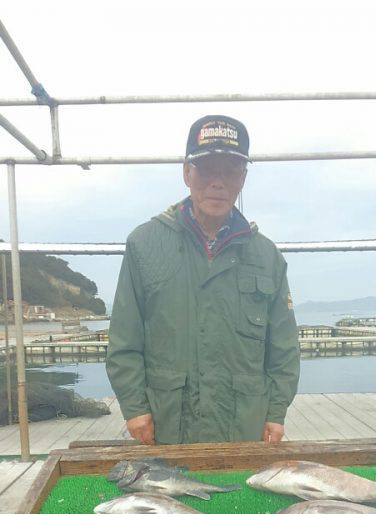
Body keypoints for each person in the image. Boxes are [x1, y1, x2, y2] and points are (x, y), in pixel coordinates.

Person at [106, 114, 299, 445]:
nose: (218, 181)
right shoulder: (144, 244)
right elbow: (124, 339)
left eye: (231, 170)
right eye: (207, 168)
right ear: (186, 172)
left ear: (243, 178)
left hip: (244, 431)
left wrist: (276, 412)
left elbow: (284, 348)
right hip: (166, 429)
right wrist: (135, 408)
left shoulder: (268, 256)